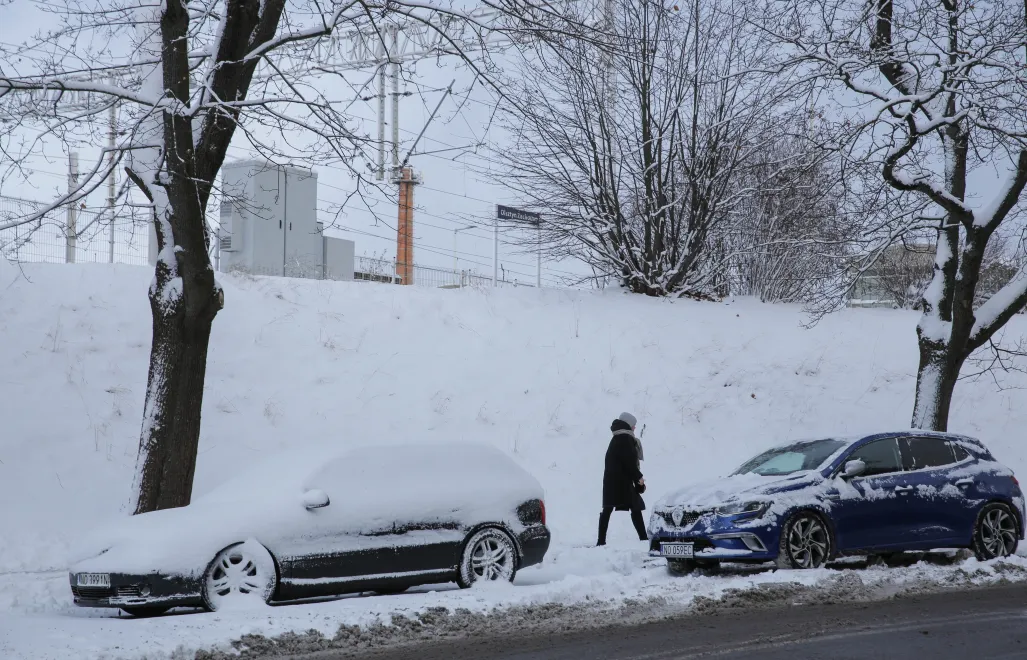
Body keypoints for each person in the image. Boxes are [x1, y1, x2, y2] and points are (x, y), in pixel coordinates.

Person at [598, 412, 648, 546]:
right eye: (633, 425)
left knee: (608, 508)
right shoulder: (625, 438)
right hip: (622, 482)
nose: (635, 428)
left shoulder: (617, 437)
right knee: (635, 507)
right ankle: (644, 539)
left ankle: (601, 541)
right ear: (628, 424)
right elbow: (629, 462)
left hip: (612, 480)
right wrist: (638, 477)